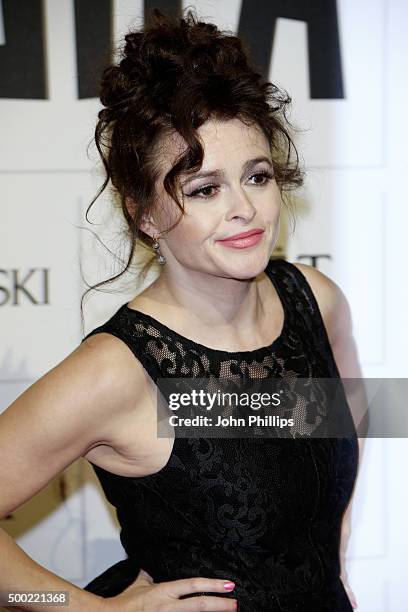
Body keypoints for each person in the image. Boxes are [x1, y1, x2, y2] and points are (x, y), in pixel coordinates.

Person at [0, 8, 365, 612]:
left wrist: (334, 556)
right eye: (204, 189)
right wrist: (92, 611)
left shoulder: (316, 301)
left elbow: (341, 442)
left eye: (257, 176)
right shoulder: (116, 373)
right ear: (144, 214)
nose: (244, 209)